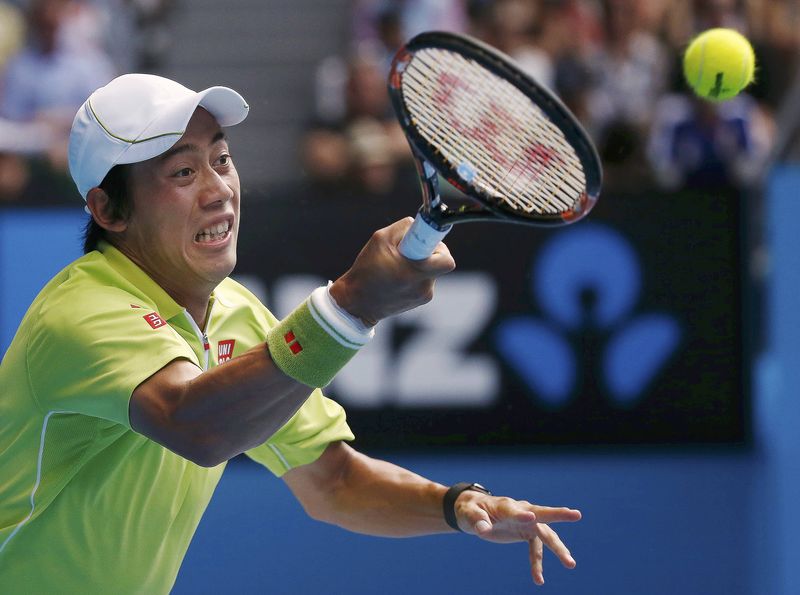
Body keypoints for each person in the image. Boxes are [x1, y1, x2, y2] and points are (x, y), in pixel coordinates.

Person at [0, 73, 582, 593]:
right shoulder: (83, 309)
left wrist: (457, 505)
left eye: (221, 159)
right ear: (108, 209)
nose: (218, 189)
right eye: (182, 171)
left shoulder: (233, 312)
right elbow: (195, 426)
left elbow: (332, 483)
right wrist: (349, 306)